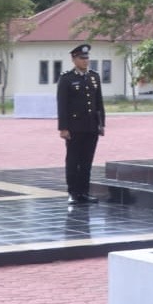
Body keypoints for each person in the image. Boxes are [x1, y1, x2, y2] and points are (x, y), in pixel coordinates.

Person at [57, 44, 105, 205]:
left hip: (91, 126)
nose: (85, 61)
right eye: (82, 58)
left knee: (87, 161)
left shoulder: (94, 77)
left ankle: (84, 192)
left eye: (87, 58)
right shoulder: (67, 78)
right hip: (74, 127)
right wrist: (63, 127)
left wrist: (101, 124)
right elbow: (62, 105)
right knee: (73, 161)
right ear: (74, 59)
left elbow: (99, 102)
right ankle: (73, 192)